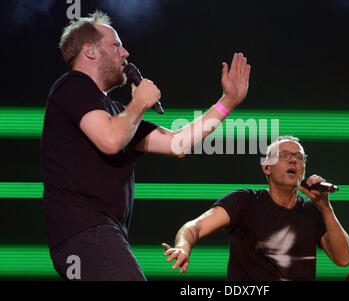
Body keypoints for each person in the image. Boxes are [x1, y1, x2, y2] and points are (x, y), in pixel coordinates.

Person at [40, 11, 250, 281]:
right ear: (89, 51)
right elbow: (110, 140)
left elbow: (178, 143)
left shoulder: (116, 113)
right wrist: (139, 103)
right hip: (86, 231)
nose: (125, 53)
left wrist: (227, 102)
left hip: (101, 234)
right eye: (116, 46)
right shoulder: (73, 86)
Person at [162, 136, 349, 280]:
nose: (293, 160)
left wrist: (326, 207)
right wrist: (182, 247)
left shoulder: (313, 211)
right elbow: (195, 227)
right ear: (266, 167)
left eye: (299, 157)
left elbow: (343, 259)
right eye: (284, 155)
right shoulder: (245, 201)